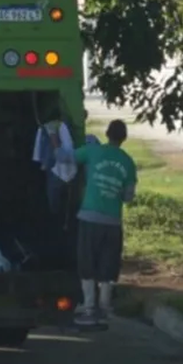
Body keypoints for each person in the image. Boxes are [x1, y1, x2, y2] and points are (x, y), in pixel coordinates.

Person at [71, 119, 137, 325]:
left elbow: (67, 158)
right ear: (124, 138)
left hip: (89, 218)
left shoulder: (93, 152)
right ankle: (105, 305)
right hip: (113, 221)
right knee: (108, 263)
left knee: (86, 260)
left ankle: (89, 305)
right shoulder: (128, 162)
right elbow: (127, 197)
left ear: (107, 134)